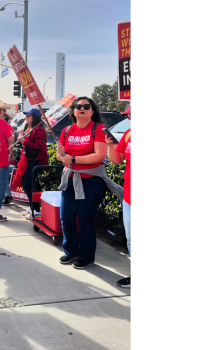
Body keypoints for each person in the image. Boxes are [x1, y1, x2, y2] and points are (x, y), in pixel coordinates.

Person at [56, 97, 109, 269]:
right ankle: (70, 251)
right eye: (78, 106)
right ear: (73, 111)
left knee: (86, 218)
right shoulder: (66, 131)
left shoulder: (98, 129)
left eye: (87, 106)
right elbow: (60, 157)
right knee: (66, 216)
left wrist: (73, 158)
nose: (82, 108)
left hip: (92, 181)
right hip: (70, 180)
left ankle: (86, 257)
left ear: (92, 111)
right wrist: (62, 154)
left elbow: (99, 155)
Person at [107, 105, 131, 288]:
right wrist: (110, 144)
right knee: (131, 237)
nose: (129, 117)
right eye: (128, 115)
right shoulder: (129, 134)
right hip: (130, 195)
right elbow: (117, 159)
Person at [12, 108, 48, 218]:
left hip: (34, 161)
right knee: (28, 184)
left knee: (29, 184)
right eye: (26, 116)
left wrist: (24, 141)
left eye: (28, 116)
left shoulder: (39, 130)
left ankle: (36, 209)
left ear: (34, 117)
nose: (26, 118)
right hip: (27, 160)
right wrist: (23, 136)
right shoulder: (31, 128)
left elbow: (38, 146)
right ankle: (33, 206)